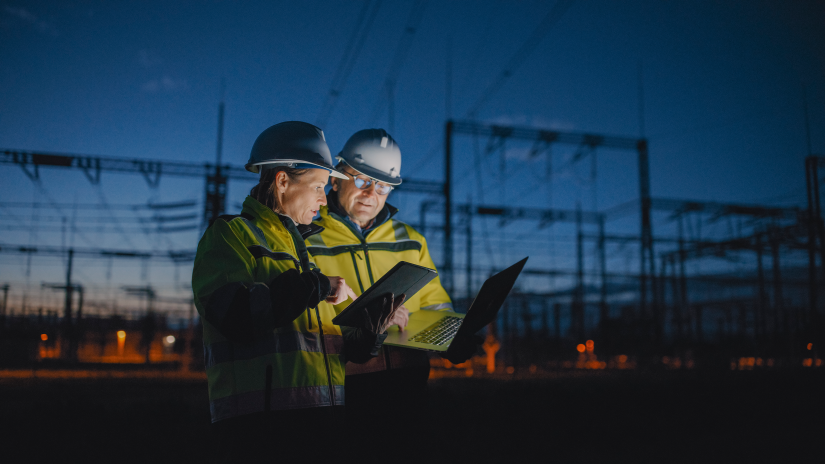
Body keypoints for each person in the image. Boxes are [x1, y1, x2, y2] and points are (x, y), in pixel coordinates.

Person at [191, 121, 405, 461]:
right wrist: (315, 286)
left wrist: (370, 331)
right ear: (282, 182)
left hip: (322, 427)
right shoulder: (230, 236)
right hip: (258, 434)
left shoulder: (302, 254)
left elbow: (325, 349)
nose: (325, 196)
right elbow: (236, 315)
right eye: (319, 186)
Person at [306, 128, 480, 450]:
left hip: (407, 391)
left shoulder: (411, 240)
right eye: (361, 180)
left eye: (383, 186)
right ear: (336, 178)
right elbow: (304, 316)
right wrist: (365, 322)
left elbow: (434, 305)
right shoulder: (307, 238)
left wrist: (454, 336)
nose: (371, 194)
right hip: (339, 390)